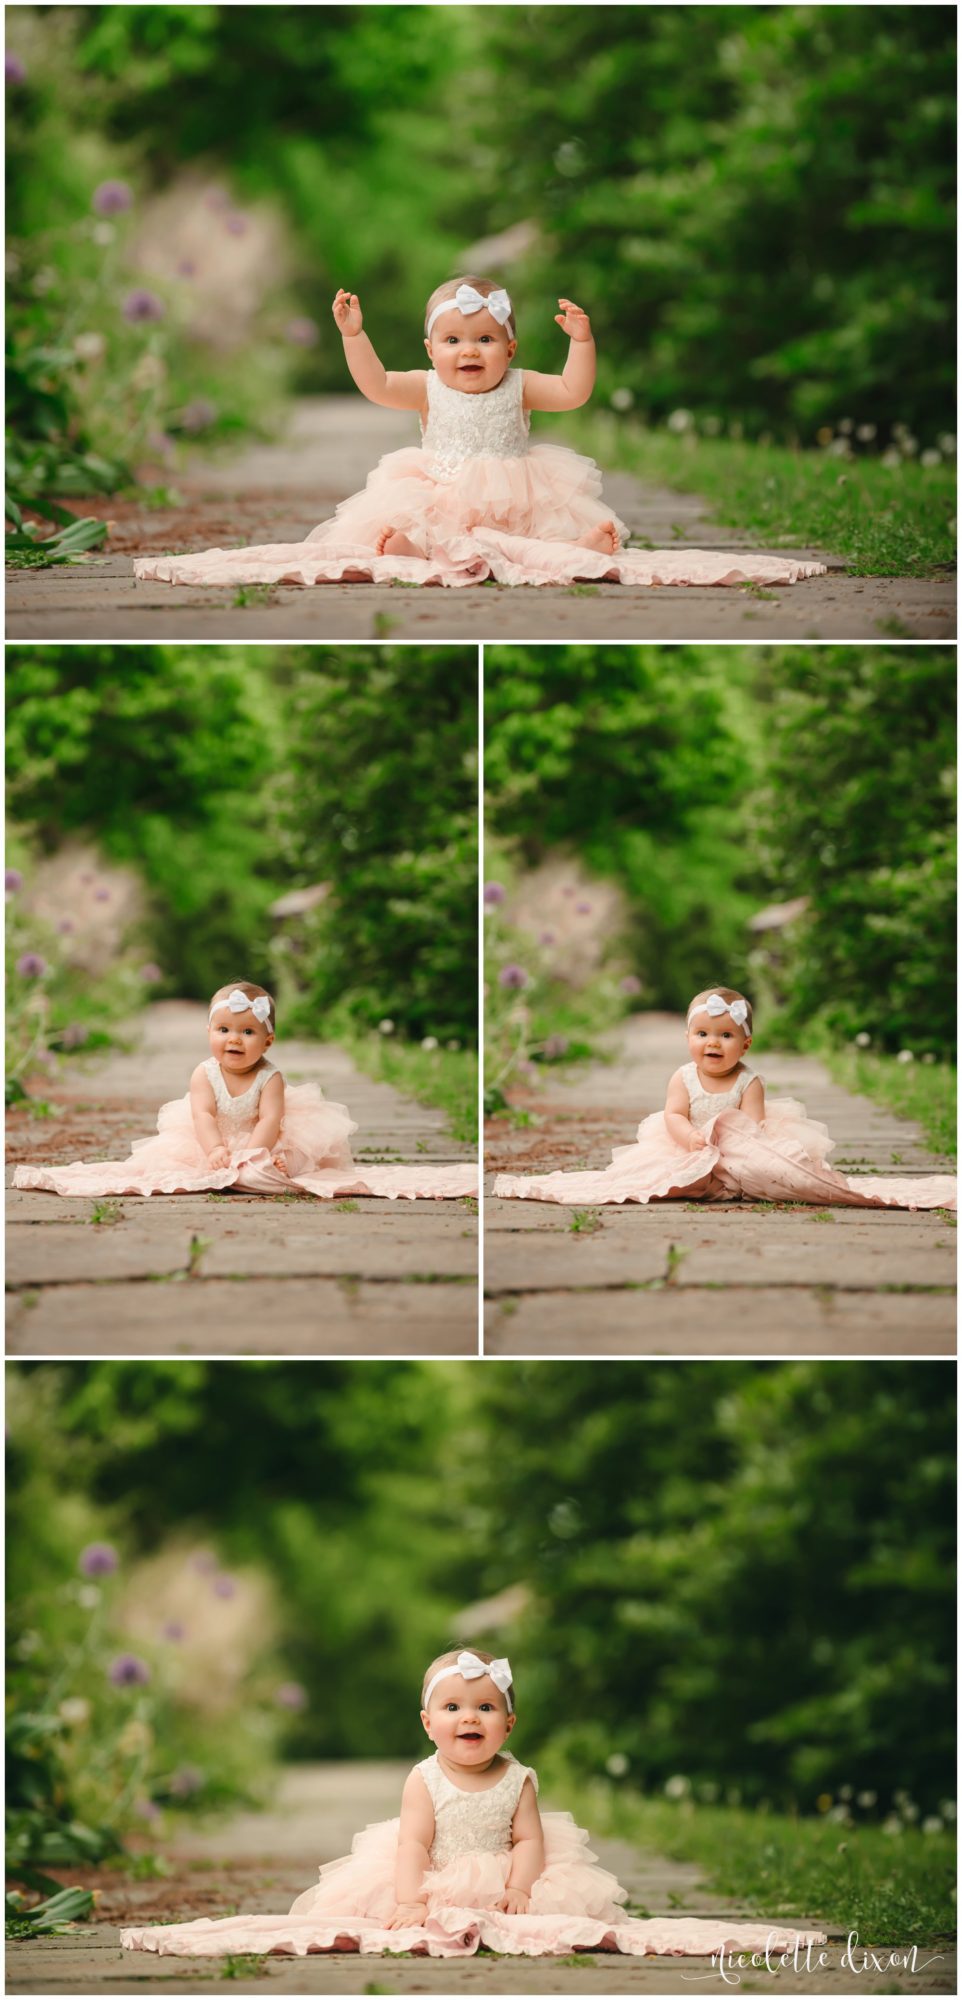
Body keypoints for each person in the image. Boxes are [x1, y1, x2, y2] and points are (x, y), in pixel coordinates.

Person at [120, 1648, 827, 1960]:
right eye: (453, 1707)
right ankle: (407, 1911)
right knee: (392, 1910)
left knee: (543, 1912)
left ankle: (512, 1909)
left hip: (500, 1872)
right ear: (427, 1724)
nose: (471, 1718)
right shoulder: (421, 1779)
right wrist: (405, 1898)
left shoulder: (520, 1778)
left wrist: (520, 1886)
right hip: (432, 1872)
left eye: (486, 1707)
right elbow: (411, 1846)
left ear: (508, 1725)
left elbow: (527, 1843)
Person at [134, 279, 828, 591]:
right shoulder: (425, 385)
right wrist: (355, 336)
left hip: (519, 491)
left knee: (534, 535)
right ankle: (411, 549)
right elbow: (374, 384)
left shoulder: (524, 385)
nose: (471, 351)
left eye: (486, 338)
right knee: (435, 529)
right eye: (455, 339)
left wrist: (582, 342)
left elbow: (575, 391)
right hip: (437, 493)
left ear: (510, 345)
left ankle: (578, 551)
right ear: (431, 349)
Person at [493, 988, 956, 1209]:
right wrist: (692, 1137)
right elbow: (674, 1115)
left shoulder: (748, 1082)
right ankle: (698, 1177)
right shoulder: (683, 1077)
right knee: (659, 1178)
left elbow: (753, 1131)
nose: (712, 1044)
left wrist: (734, 1148)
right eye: (702, 1034)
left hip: (733, 1153)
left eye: (725, 1035)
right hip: (690, 1145)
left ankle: (732, 1179)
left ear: (745, 1045)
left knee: (762, 1167)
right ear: (688, 1037)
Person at [13, 982, 477, 1201]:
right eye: (224, 1030)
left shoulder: (269, 1077)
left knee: (290, 1164)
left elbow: (272, 1120)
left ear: (268, 1041)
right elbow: (202, 1117)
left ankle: (263, 1170)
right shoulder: (203, 1074)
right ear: (209, 1031)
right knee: (188, 1167)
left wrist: (255, 1153)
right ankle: (234, 1170)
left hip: (262, 1141)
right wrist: (216, 1149)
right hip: (213, 1142)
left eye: (248, 1032)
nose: (234, 1040)